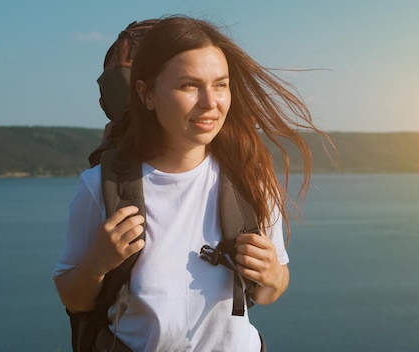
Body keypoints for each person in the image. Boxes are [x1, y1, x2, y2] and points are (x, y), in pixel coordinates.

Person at [53, 16, 322, 351]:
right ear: (146, 93)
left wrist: (273, 275)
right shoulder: (101, 187)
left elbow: (269, 292)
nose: (210, 102)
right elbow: (73, 298)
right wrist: (96, 263)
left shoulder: (251, 180)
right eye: (189, 86)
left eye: (220, 84)